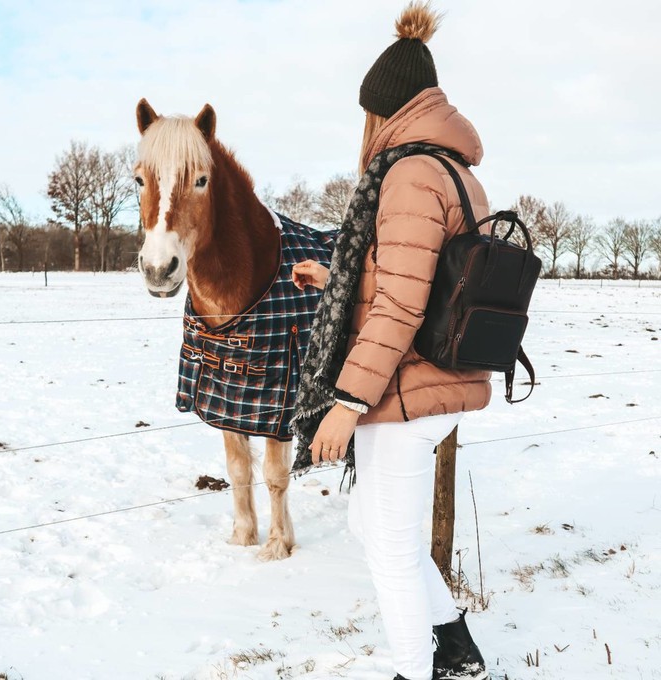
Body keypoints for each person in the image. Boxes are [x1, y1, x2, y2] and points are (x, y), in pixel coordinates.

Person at [291, 3, 491, 679]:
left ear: (388, 111)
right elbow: (415, 282)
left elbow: (403, 304)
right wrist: (336, 280)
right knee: (371, 529)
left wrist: (346, 401)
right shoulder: (453, 170)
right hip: (433, 378)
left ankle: (420, 669)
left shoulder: (408, 174)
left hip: (405, 388)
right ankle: (456, 653)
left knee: (392, 552)